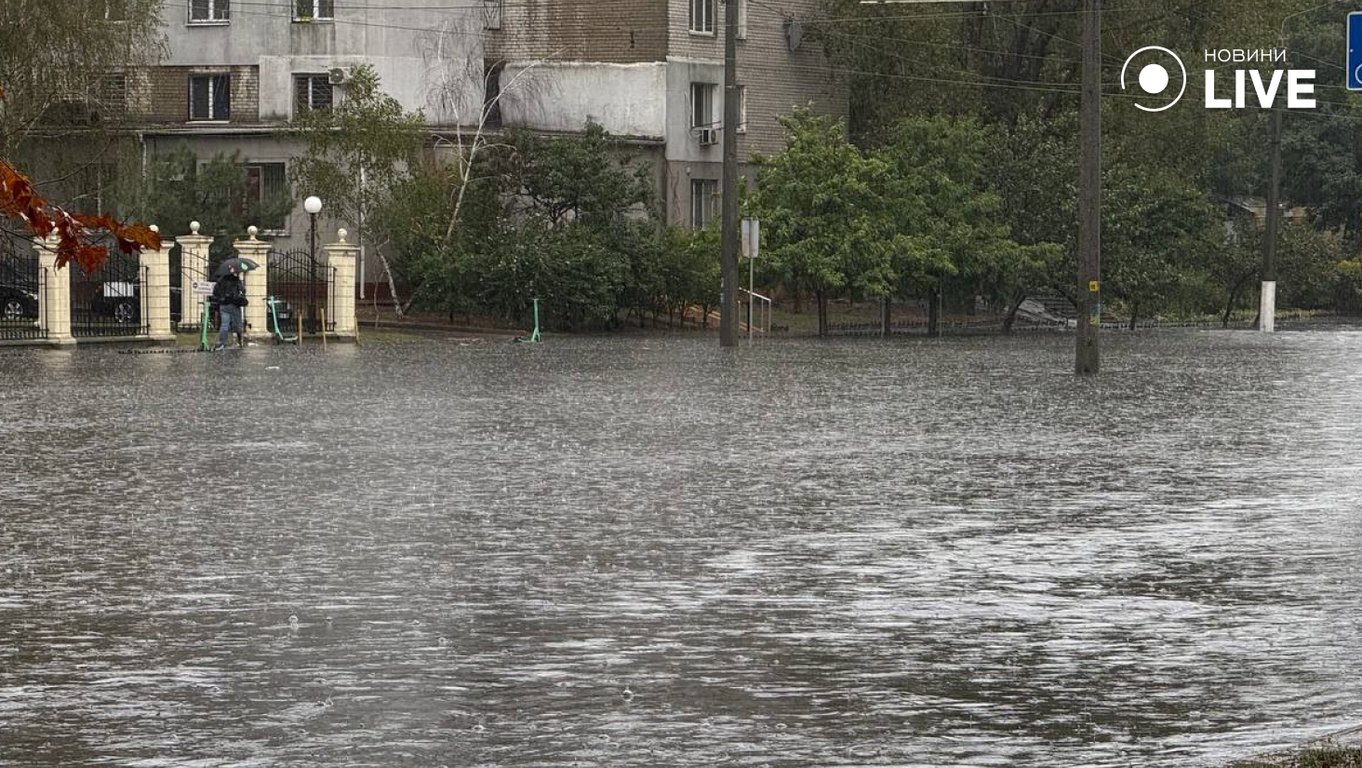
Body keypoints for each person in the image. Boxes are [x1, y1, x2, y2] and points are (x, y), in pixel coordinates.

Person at [211, 267, 248, 350]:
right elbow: (243, 290)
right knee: (238, 325)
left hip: (224, 305)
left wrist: (221, 299)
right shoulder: (236, 280)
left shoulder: (220, 280)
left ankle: (222, 343)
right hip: (234, 304)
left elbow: (215, 292)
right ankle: (239, 342)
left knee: (224, 325)